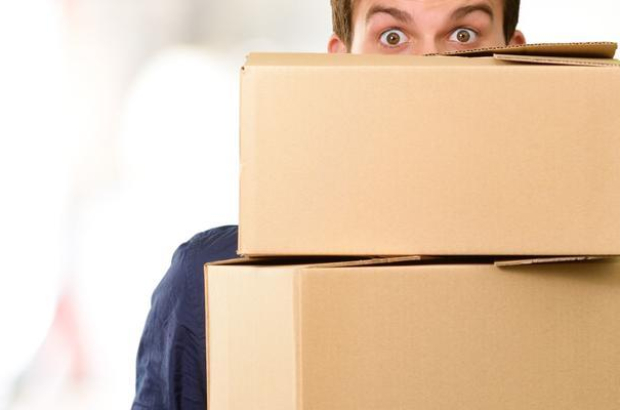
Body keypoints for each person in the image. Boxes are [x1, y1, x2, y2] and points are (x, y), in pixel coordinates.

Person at [131, 0, 525, 408]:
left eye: (464, 35)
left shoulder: (580, 274)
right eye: (392, 37)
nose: (430, 66)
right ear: (341, 66)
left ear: (517, 59)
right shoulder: (215, 284)